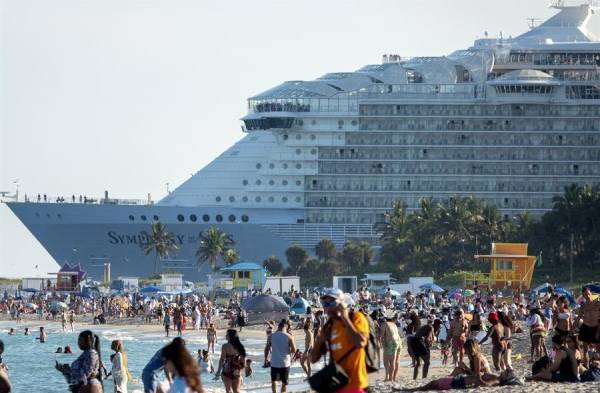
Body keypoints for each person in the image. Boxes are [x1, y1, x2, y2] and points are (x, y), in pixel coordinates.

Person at [310, 288, 369, 393]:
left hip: (355, 385)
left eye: (331, 303)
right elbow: (313, 359)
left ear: (342, 303)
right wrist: (320, 340)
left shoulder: (356, 318)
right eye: (324, 303)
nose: (327, 307)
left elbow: (360, 343)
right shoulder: (329, 327)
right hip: (336, 384)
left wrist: (345, 318)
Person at [265, 320, 297, 393]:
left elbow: (266, 349)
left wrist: (265, 359)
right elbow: (294, 350)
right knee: (284, 382)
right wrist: (287, 352)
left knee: (274, 381)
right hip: (285, 363)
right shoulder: (289, 336)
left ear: (278, 327)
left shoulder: (271, 336)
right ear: (285, 327)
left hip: (274, 362)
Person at [578, 286, 600, 366]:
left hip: (596, 327)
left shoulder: (597, 304)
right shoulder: (583, 306)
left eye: (588, 294)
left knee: (598, 348)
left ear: (591, 294)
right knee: (585, 349)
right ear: (583, 296)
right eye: (584, 295)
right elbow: (578, 318)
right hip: (586, 327)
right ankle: (586, 367)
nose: (587, 296)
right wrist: (572, 329)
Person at [380, 313, 402, 382]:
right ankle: (393, 378)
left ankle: (390, 379)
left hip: (391, 342)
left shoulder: (384, 324)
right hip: (398, 341)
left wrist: (383, 346)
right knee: (396, 361)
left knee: (387, 361)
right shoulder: (394, 324)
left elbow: (382, 336)